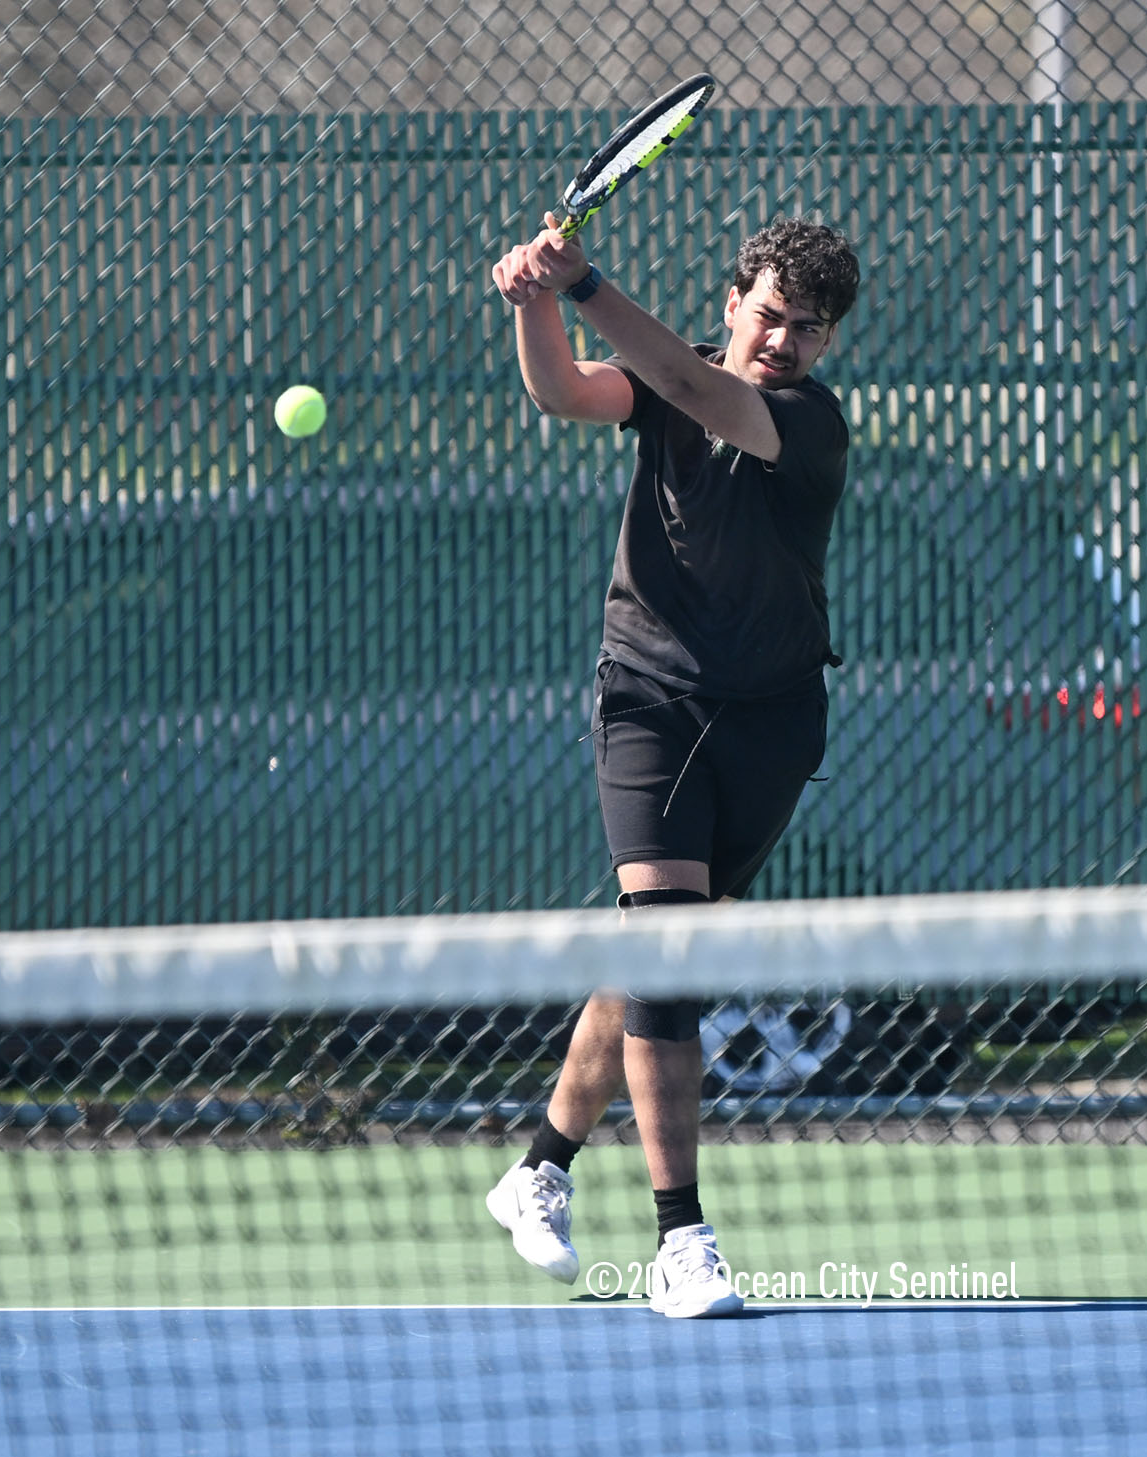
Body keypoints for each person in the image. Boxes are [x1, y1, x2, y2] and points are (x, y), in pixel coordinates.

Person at [485, 211, 860, 1317]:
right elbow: (563, 392)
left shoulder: (808, 421)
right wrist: (534, 304)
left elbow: (699, 394)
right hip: (648, 697)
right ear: (732, 301)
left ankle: (539, 1165)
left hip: (772, 722)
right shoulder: (665, 374)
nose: (782, 339)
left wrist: (583, 282)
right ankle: (679, 1236)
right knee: (664, 952)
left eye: (807, 326)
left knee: (661, 948)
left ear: (828, 341)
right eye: (769, 313)